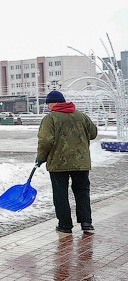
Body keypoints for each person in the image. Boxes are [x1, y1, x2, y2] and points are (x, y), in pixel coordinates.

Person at [36, 90, 98, 234]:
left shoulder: (50, 118)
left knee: (60, 193)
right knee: (82, 192)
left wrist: (41, 158)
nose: (48, 107)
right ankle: (86, 222)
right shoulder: (81, 116)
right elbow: (93, 133)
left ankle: (65, 225)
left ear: (54, 103)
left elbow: (45, 141)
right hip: (81, 163)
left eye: (48, 104)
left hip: (59, 164)